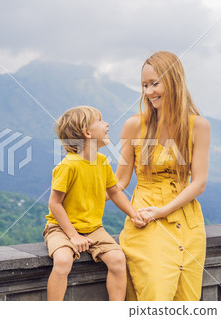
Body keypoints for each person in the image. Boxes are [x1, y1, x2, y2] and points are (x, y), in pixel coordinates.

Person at [116, 51, 211, 301]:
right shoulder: (134, 125)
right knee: (155, 297)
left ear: (174, 81)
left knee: (187, 302)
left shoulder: (198, 126)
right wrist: (80, 196)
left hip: (190, 227)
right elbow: (120, 181)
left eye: (155, 83)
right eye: (145, 85)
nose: (149, 92)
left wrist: (164, 210)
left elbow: (199, 182)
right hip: (146, 220)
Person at [43, 105, 145, 301]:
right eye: (100, 120)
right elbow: (54, 204)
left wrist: (134, 214)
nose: (107, 124)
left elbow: (115, 192)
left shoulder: (102, 161)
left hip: (93, 229)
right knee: (63, 261)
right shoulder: (68, 166)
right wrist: (73, 235)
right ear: (87, 133)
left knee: (117, 259)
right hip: (61, 228)